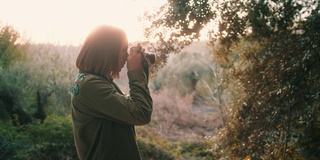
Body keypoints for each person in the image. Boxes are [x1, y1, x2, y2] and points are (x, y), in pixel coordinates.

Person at [71, 25, 153, 160]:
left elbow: (130, 107)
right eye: (123, 50)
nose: (127, 57)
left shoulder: (95, 81)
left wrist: (141, 71)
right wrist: (135, 73)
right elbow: (141, 113)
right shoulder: (91, 85)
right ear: (107, 52)